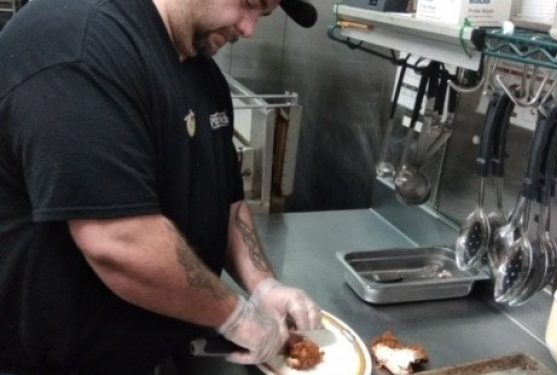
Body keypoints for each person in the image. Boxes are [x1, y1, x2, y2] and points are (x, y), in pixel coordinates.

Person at [0, 0, 319, 373]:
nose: (249, 29)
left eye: (263, 16)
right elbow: (119, 242)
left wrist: (263, 285)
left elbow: (228, 204)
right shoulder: (79, 46)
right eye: (250, 3)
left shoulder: (201, 72)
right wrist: (236, 316)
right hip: (49, 363)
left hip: (150, 351)